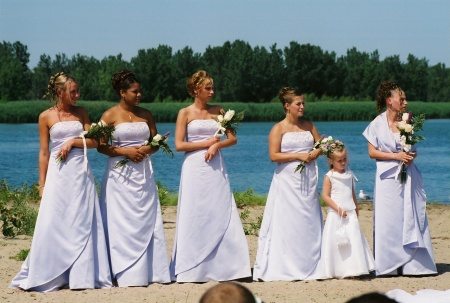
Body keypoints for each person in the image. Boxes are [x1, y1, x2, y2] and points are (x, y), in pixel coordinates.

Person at [10, 72, 112, 291]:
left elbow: (95, 141)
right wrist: (42, 184)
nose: (77, 95)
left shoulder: (81, 113)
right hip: (58, 175)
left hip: (80, 174)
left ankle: (80, 274)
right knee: (54, 219)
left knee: (81, 219)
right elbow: (44, 153)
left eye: (77, 91)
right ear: (59, 92)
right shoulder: (45, 117)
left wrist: (73, 142)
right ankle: (52, 273)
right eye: (72, 91)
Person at [170, 70, 251, 282]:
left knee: (220, 208)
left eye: (212, 88)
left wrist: (217, 145)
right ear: (196, 90)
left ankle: (230, 268)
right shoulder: (184, 113)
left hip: (216, 166)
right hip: (194, 167)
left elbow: (232, 139)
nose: (212, 92)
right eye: (208, 88)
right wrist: (205, 144)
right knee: (195, 211)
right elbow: (179, 145)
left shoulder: (219, 111)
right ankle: (193, 269)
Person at [97, 70, 170, 286]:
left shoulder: (146, 114)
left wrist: (146, 149)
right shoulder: (109, 116)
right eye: (134, 92)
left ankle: (151, 272)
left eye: (140, 91)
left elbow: (157, 143)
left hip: (143, 173)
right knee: (120, 220)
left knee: (146, 217)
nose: (139, 95)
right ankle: (121, 270)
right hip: (119, 175)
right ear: (122, 93)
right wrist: (125, 152)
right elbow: (101, 147)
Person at [362, 81, 436, 276]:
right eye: (401, 99)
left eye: (405, 99)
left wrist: (410, 157)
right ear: (389, 101)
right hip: (386, 180)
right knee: (389, 219)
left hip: (407, 177)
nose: (405, 102)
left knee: (408, 216)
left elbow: (413, 151)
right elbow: (372, 153)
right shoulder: (376, 124)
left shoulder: (408, 123)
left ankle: (414, 264)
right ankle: (390, 265)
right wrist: (396, 156)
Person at [253, 87, 324, 281]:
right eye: (298, 104)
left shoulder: (309, 126)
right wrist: (298, 155)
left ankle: (311, 263)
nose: (302, 106)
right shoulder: (279, 128)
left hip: (308, 179)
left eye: (303, 103)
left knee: (308, 219)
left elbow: (321, 145)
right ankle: (285, 264)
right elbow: (274, 156)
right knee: (288, 221)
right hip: (287, 181)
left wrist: (316, 152)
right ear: (287, 106)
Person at [312, 139, 376, 279]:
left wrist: (356, 207)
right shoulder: (330, 176)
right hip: (337, 214)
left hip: (350, 212)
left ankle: (355, 268)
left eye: (345, 159)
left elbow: (352, 192)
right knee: (337, 242)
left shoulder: (349, 174)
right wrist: (338, 208)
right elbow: (325, 196)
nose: (343, 162)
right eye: (339, 160)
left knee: (354, 239)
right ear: (331, 161)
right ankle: (338, 269)